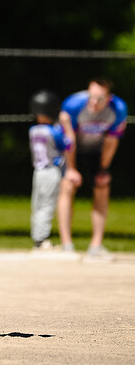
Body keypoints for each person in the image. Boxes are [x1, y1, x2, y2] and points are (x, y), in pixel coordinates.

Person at [57, 78, 127, 261]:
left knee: (102, 187)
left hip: (97, 151)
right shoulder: (73, 104)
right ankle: (67, 245)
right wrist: (71, 169)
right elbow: (69, 139)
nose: (94, 103)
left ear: (109, 98)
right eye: (92, 97)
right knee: (68, 185)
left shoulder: (118, 109)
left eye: (100, 99)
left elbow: (112, 142)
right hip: (73, 149)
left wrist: (103, 169)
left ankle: (96, 245)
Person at [28, 90, 73, 251]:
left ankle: (37, 237)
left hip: (38, 171)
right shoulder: (54, 131)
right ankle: (42, 239)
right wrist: (66, 125)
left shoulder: (33, 130)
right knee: (47, 205)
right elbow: (69, 144)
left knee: (37, 204)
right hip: (51, 170)